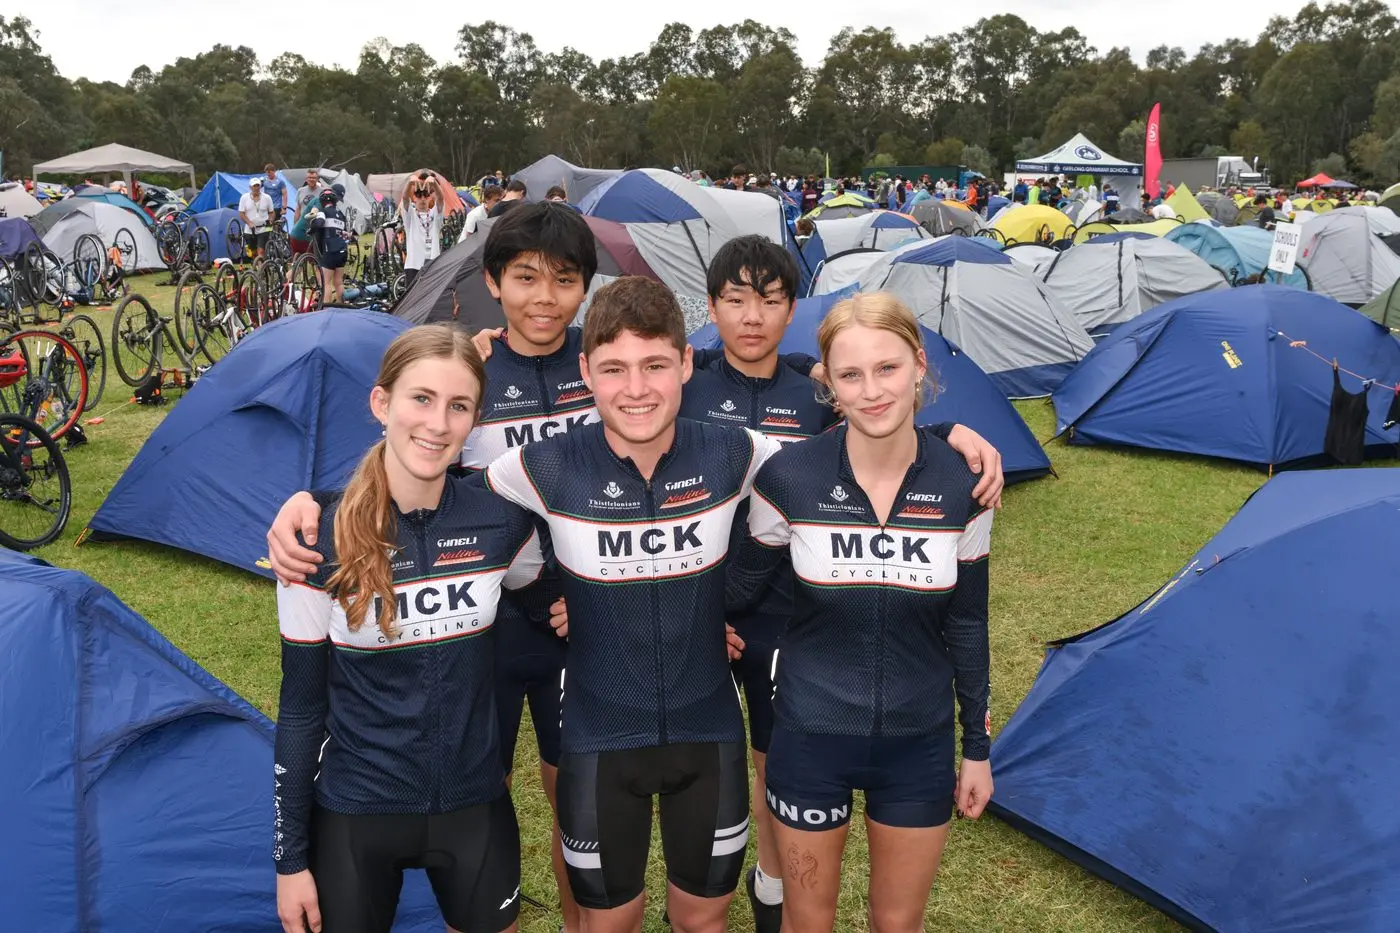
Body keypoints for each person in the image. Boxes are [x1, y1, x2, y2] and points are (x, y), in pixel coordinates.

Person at [726, 291, 994, 933]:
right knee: (807, 921)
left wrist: (977, 749)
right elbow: (738, 588)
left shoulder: (966, 484)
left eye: (888, 368)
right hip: (809, 737)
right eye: (851, 375)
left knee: (896, 924)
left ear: (919, 366)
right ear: (829, 385)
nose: (872, 390)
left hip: (918, 742)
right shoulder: (789, 478)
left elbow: (968, 623)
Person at [274, 324, 544, 933]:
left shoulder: (501, 524)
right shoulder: (315, 543)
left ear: (476, 420)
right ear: (382, 403)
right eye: (420, 398)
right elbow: (299, 710)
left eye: (458, 406)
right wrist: (290, 861)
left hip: (476, 805)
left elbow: (552, 597)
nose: (437, 423)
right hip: (355, 812)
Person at [399, 170, 446, 291]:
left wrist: (434, 183)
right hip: (414, 265)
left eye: (425, 195)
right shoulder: (411, 216)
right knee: (412, 300)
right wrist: (410, 183)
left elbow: (441, 199)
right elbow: (404, 199)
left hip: (433, 263)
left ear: (430, 197)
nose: (423, 198)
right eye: (419, 195)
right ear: (415, 198)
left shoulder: (435, 215)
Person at [308, 185, 351, 305]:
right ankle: (342, 306)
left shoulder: (323, 212)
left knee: (326, 282)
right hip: (342, 249)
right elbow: (346, 233)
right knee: (339, 282)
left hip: (330, 249)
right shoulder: (341, 214)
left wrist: (311, 229)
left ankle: (326, 309)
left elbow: (319, 222)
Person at [239, 178, 275, 260]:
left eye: (258, 185)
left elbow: (272, 212)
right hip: (249, 230)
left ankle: (261, 271)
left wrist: (270, 220)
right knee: (253, 253)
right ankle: (259, 268)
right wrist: (249, 223)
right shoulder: (244, 198)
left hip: (263, 229)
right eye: (254, 186)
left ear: (260, 186)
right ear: (250, 187)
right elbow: (241, 214)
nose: (256, 188)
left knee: (261, 251)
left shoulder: (267, 197)